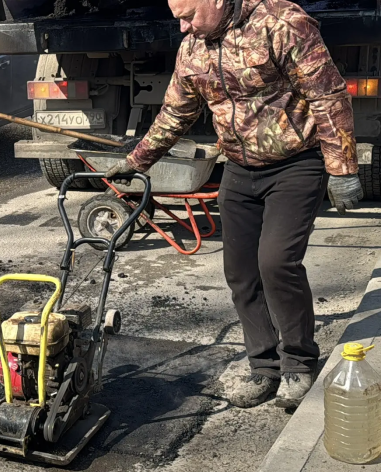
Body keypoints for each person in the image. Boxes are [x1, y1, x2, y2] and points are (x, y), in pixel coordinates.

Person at [105, 0, 363, 409]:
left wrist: (343, 168)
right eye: (178, 18)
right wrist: (137, 161)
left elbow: (326, 94)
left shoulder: (281, 23)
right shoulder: (193, 46)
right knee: (241, 273)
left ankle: (298, 363)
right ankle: (264, 367)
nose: (183, 27)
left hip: (296, 163)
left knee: (276, 263)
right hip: (240, 169)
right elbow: (176, 112)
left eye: (188, 16)